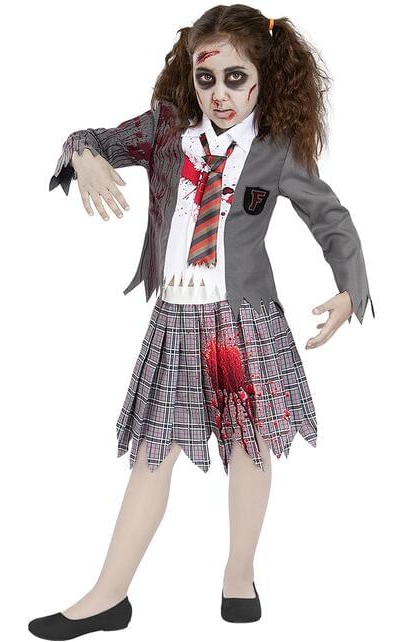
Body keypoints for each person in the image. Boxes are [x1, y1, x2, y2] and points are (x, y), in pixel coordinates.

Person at [28, 5, 375, 639]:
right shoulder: (167, 132)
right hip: (176, 320)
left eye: (236, 79)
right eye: (205, 77)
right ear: (190, 75)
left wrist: (351, 289)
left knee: (250, 444)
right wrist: (82, 154)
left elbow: (331, 217)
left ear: (264, 77)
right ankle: (109, 595)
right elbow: (92, 137)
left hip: (243, 324)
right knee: (151, 452)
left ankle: (239, 573)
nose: (219, 94)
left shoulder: (274, 152)